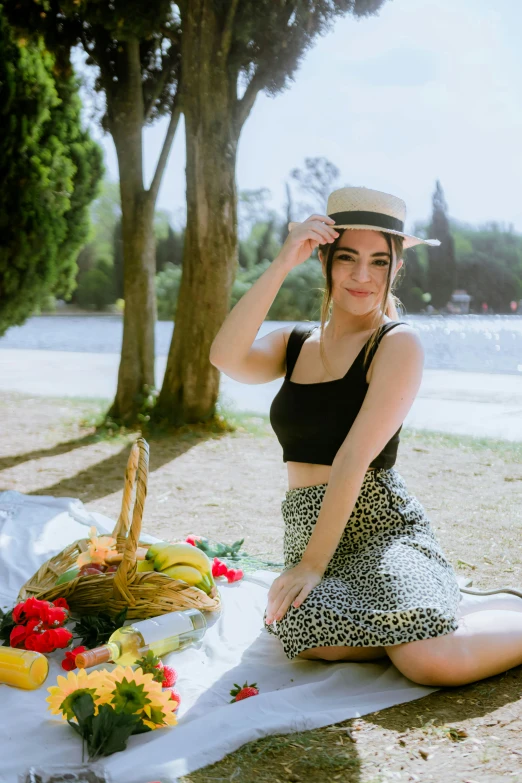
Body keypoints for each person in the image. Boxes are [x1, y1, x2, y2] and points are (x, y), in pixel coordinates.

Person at [209, 186, 522, 687]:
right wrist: (281, 263)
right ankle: (428, 619)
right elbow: (224, 356)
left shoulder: (396, 344)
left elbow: (353, 456)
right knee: (306, 633)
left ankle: (453, 624)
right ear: (326, 261)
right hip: (308, 528)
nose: (361, 276)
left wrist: (312, 568)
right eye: (348, 258)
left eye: (379, 262)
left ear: (396, 268)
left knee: (427, 662)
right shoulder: (295, 345)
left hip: (382, 529)